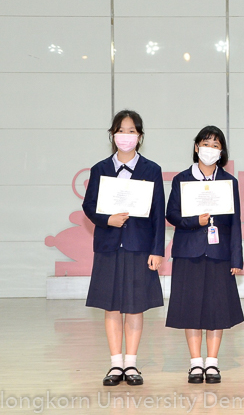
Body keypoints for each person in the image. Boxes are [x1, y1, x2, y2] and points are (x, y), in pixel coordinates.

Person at [82, 110, 166, 386]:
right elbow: (89, 206)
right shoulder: (100, 169)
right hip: (108, 246)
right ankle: (115, 364)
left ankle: (131, 364)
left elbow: (158, 213)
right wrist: (108, 219)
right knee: (111, 307)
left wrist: (157, 250)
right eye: (120, 130)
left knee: (135, 307)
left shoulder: (151, 170)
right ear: (112, 135)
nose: (125, 136)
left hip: (139, 247)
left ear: (140, 136)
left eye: (131, 131)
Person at [165, 126, 244, 384]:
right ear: (197, 147)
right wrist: (193, 221)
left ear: (222, 151)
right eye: (206, 144)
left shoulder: (229, 182)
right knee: (190, 308)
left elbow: (235, 222)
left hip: (220, 253)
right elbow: (171, 214)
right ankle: (195, 363)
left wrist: (236, 258)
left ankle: (212, 362)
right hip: (188, 252)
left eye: (215, 145)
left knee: (216, 308)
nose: (210, 149)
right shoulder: (181, 179)